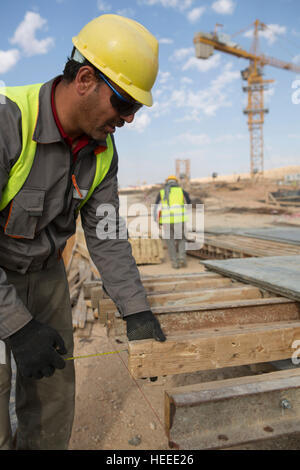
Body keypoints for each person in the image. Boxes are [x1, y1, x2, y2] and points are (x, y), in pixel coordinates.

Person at [0, 14, 166, 450]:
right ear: (86, 79)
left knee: (54, 393)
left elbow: (107, 234)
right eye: (125, 104)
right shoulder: (9, 121)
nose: (128, 120)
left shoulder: (102, 152)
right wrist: (16, 326)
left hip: (48, 274)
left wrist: (136, 311)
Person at [154, 175, 191, 269]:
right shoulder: (181, 191)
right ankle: (182, 257)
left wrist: (156, 219)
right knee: (182, 239)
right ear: (176, 182)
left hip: (167, 221)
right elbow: (189, 203)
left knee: (170, 242)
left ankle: (174, 262)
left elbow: (156, 207)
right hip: (179, 220)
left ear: (166, 183)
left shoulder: (162, 192)